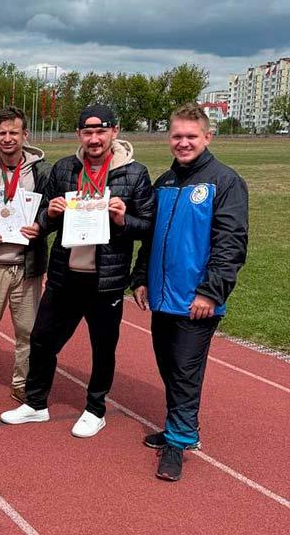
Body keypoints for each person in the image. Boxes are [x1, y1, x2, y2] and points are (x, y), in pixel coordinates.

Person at [0, 103, 154, 437]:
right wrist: (50, 215)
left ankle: (95, 409)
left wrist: (122, 220)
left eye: (101, 131)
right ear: (79, 134)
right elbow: (42, 216)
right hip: (64, 275)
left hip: (105, 280)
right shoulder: (65, 168)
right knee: (42, 340)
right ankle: (36, 403)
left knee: (102, 347)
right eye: (88, 132)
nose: (94, 139)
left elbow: (147, 227)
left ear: (114, 132)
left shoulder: (134, 173)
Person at [132, 103, 248, 481]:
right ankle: (176, 426)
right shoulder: (164, 182)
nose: (183, 142)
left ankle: (179, 441)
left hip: (196, 301)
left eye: (191, 136)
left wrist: (211, 292)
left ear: (207, 137)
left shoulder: (225, 182)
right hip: (163, 298)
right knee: (169, 367)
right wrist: (141, 277)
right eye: (177, 136)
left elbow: (231, 244)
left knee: (184, 373)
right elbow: (150, 237)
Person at [0, 106, 50, 412]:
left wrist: (41, 224)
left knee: (27, 331)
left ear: (24, 135)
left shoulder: (41, 172)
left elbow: (52, 211)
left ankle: (21, 382)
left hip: (27, 265)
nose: (7, 138)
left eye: (13, 132)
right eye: (2, 133)